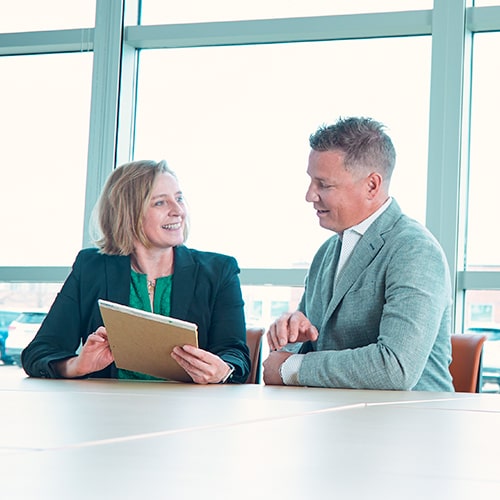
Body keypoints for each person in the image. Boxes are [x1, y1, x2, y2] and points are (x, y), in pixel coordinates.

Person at [263, 116, 454, 391]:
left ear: (372, 186)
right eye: (311, 181)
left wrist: (290, 367)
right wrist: (293, 337)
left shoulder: (415, 250)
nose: (309, 195)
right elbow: (315, 352)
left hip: (412, 424)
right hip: (340, 420)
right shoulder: (327, 252)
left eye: (324, 184)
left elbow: (395, 368)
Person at [22, 160, 250, 384]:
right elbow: (39, 353)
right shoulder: (91, 267)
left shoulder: (219, 270)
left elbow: (235, 354)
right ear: (129, 212)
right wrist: (78, 365)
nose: (178, 210)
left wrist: (223, 370)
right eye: (161, 203)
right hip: (108, 411)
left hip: (191, 411)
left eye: (179, 198)